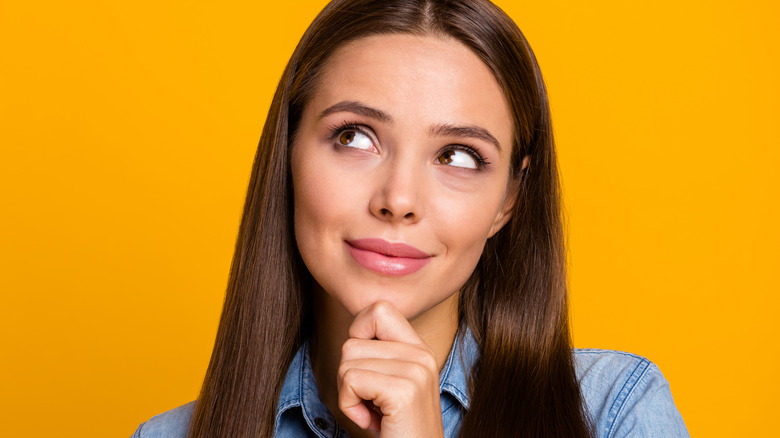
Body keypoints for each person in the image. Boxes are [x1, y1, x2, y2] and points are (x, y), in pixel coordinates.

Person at [133, 0, 689, 437]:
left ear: (509, 200)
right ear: (288, 155)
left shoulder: (613, 414)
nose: (398, 199)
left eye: (459, 155)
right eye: (354, 137)